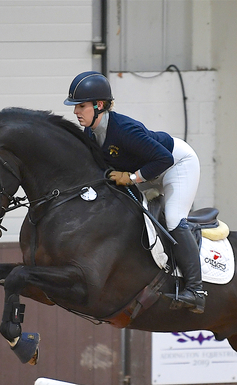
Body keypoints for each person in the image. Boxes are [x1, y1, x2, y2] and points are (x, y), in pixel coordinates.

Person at [64, 71, 206, 313]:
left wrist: (131, 178)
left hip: (176, 165)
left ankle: (196, 290)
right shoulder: (91, 133)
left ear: (99, 105)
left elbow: (164, 159)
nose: (76, 111)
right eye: (75, 106)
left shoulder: (124, 129)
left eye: (81, 106)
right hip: (148, 172)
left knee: (173, 218)